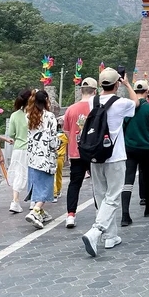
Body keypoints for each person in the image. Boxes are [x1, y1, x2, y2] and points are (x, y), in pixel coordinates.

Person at [81, 68, 137, 257]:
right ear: (116, 84)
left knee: (101, 196)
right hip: (115, 156)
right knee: (112, 197)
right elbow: (136, 103)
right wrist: (127, 84)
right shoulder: (121, 103)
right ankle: (96, 231)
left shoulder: (92, 101)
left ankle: (111, 236)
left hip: (95, 155)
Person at [122, 79, 149, 224]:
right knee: (147, 178)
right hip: (146, 147)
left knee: (128, 179)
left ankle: (125, 214)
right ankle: (148, 207)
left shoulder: (127, 107)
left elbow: (122, 126)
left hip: (129, 147)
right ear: (147, 92)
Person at [62, 78, 96, 228]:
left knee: (74, 184)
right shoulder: (97, 107)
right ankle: (100, 212)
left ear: (81, 90)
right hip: (94, 152)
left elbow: (66, 131)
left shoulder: (71, 109)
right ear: (95, 91)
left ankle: (70, 215)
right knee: (98, 184)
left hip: (76, 152)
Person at [23, 90, 60, 229]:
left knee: (37, 185)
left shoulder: (28, 116)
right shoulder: (50, 116)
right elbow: (52, 138)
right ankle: (36, 211)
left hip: (33, 157)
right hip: (46, 158)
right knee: (45, 187)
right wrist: (58, 144)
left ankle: (42, 213)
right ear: (46, 100)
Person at [7, 89, 32, 214]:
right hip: (31, 148)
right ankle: (34, 201)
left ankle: (15, 201)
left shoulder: (14, 115)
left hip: (18, 149)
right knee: (32, 174)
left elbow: (11, 133)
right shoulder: (34, 114)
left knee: (18, 174)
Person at [53, 117, 67, 202]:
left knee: (53, 176)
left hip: (53, 157)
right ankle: (58, 191)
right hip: (61, 157)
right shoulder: (65, 136)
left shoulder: (52, 136)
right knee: (59, 175)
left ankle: (54, 194)